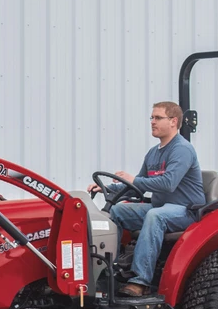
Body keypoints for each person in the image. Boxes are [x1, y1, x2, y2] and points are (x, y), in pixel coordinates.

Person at [87, 102, 205, 297]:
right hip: (160, 206)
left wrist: (133, 179)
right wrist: (107, 188)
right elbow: (137, 187)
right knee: (116, 212)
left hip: (186, 210)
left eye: (158, 118)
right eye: (152, 117)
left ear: (174, 122)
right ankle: (109, 270)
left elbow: (168, 183)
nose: (152, 122)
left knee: (154, 216)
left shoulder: (182, 149)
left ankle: (140, 280)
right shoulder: (153, 153)